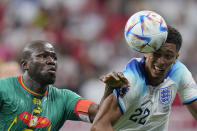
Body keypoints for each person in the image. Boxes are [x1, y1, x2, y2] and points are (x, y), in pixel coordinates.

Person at [0, 40, 129, 130]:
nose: (51, 61)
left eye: (54, 57)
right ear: (25, 65)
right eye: (43, 56)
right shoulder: (4, 88)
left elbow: (98, 115)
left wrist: (110, 89)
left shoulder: (64, 99)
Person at [91, 25, 197, 131]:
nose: (161, 62)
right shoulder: (130, 82)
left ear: (176, 58)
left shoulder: (179, 73)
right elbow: (99, 126)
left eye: (168, 56)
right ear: (146, 52)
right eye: (156, 54)